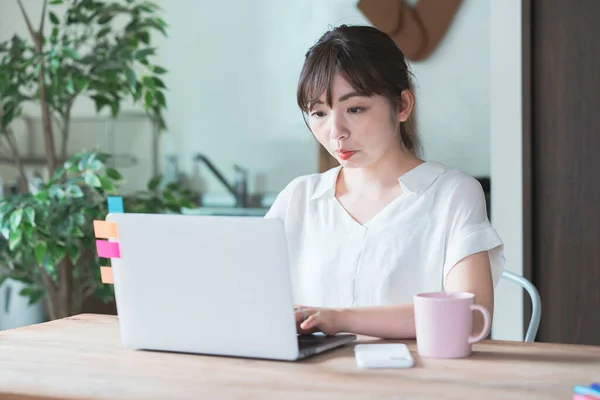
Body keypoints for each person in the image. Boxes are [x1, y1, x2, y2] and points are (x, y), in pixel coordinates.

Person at [264, 24, 505, 340]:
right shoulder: (298, 197)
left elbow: (471, 319)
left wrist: (339, 319)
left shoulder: (453, 194)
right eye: (319, 113)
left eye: (355, 109)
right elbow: (246, 298)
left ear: (402, 105)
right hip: (309, 385)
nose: (336, 131)